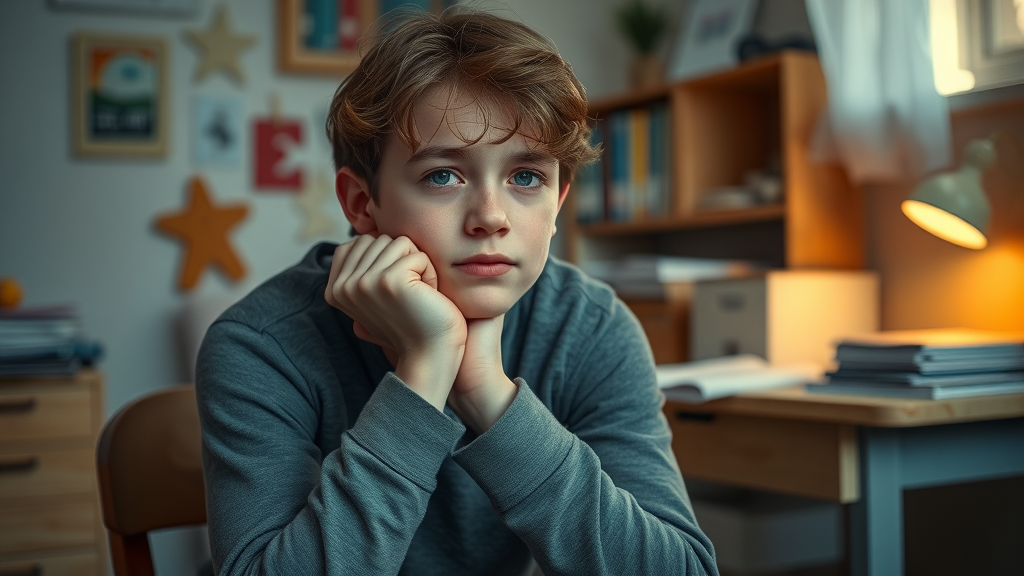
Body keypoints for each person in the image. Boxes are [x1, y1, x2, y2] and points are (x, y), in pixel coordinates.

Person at [196, 7, 717, 576]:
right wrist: (425, 368)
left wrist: (485, 390)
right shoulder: (260, 345)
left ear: (558, 203)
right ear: (360, 203)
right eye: (443, 175)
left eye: (526, 177)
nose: (491, 217)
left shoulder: (592, 329)